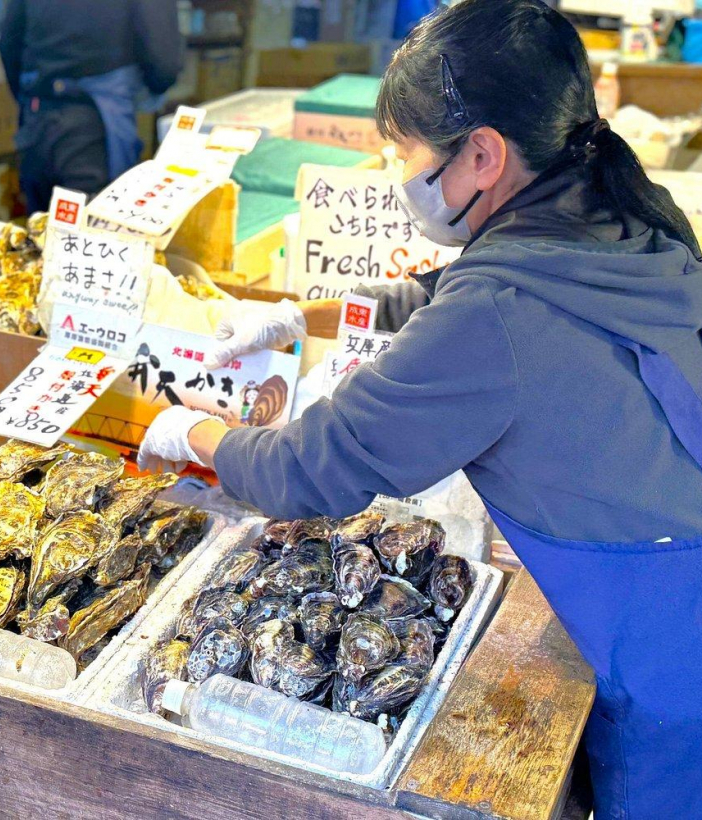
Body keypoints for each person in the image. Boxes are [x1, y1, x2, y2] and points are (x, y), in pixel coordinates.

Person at [136, 0, 702, 816]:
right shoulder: (618, 209)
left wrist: (194, 431)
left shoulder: (497, 312)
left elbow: (308, 471)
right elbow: (449, 296)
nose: (396, 173)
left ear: (482, 154)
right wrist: (308, 315)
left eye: (403, 152)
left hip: (667, 670)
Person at [0, 0, 183, 212]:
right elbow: (164, 64)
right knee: (98, 228)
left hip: (37, 120)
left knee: (38, 232)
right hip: (97, 127)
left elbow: (8, 44)